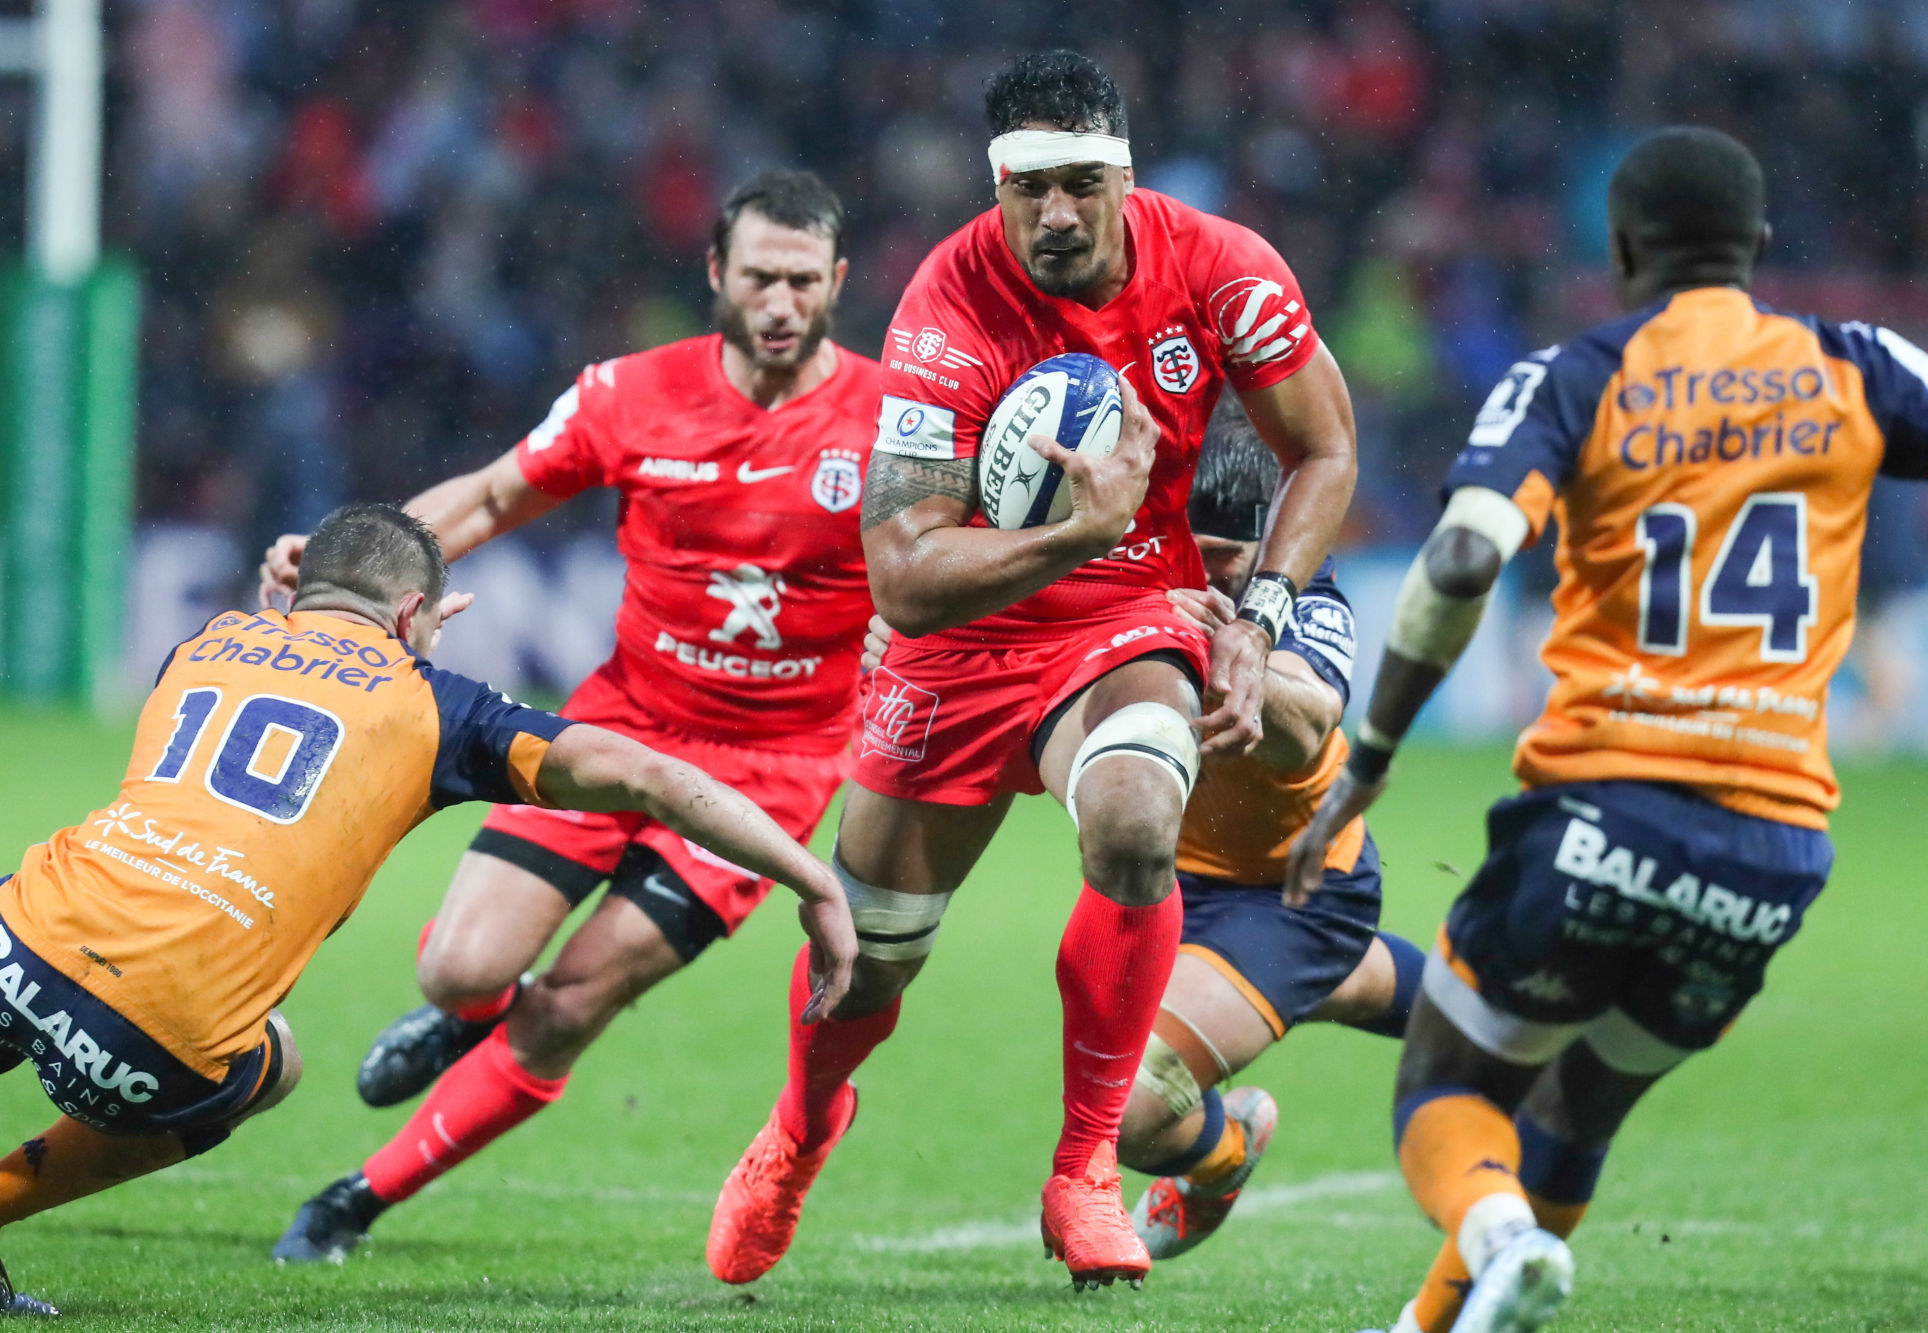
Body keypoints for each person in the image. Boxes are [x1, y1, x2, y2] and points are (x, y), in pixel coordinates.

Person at [1283, 126, 1928, 1333]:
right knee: (1578, 1105)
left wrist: (1373, 754)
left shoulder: (1577, 376)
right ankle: (1434, 1323)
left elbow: (1459, 556)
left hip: (1603, 809)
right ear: (1760, 248)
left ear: (1617, 250)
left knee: (1448, 1084)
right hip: (1772, 852)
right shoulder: (1857, 362)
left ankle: (1496, 1233)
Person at [706, 51, 1358, 1292]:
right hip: (958, 635)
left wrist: (1257, 618)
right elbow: (900, 573)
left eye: (1078, 185)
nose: (1054, 215)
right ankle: (799, 1128)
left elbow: (1323, 447)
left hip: (1123, 617)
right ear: (993, 188)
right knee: (868, 955)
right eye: (1027, 191)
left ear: (1122, 174)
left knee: (1130, 816)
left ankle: (1086, 1166)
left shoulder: (1222, 267)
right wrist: (1071, 532)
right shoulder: (946, 303)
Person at [0, 505, 856, 1315]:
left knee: (44, 941)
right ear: (414, 611)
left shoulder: (202, 642)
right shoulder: (438, 706)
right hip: (155, 1029)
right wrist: (813, 881)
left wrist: (294, 623)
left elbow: (276, 685)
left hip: (22, 936)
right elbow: (651, 778)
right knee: (275, 1065)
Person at [256, 171, 881, 1260]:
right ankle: (465, 1013)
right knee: (457, 968)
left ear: (835, 282)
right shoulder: (629, 395)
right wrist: (352, 568)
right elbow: (497, 494)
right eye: (756, 279)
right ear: (714, 279)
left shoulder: (896, 423)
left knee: (571, 1004)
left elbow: (953, 568)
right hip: (622, 724)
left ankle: (353, 1199)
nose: (778, 304)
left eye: (799, 281)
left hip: (768, 770)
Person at [1115, 394, 1424, 1260]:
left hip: (1292, 896)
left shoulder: (1311, 595)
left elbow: (1312, 715)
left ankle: (1220, 1154)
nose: (1212, 581)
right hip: (1169, 884)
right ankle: (1507, 1008)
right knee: (1389, 993)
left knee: (1134, 1109)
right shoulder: (1132, 566)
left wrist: (1237, 657)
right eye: (1195, 557)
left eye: (1232, 561)